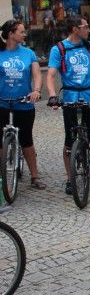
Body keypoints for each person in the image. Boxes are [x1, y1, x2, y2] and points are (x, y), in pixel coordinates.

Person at [46, 15, 90, 195]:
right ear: (75, 29)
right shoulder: (59, 49)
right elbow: (50, 75)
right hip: (70, 97)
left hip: (89, 96)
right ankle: (70, 178)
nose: (89, 30)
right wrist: (52, 96)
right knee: (69, 140)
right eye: (85, 27)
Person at [0, 19, 45, 190]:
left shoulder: (28, 53)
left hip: (24, 102)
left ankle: (35, 176)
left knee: (26, 139)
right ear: (11, 34)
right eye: (21, 31)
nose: (24, 34)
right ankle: (2, 174)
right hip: (2, 102)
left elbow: (37, 75)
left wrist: (36, 91)